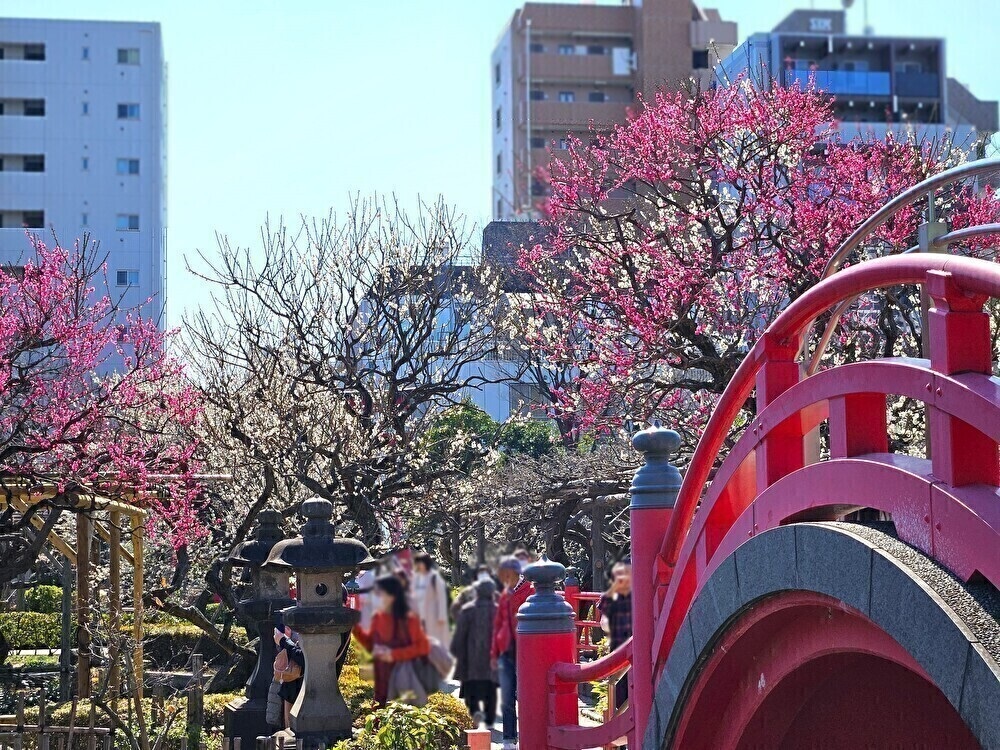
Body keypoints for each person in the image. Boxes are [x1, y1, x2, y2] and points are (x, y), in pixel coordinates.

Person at [354, 574, 431, 705]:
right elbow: (372, 645)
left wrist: (394, 654)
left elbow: (423, 647)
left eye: (381, 594)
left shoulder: (410, 618)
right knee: (381, 717)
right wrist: (355, 628)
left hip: (406, 681)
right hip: (382, 682)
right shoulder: (378, 616)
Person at [491, 556, 533, 750]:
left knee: (525, 696)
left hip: (525, 651)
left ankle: (529, 736)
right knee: (507, 696)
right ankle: (509, 739)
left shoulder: (531, 592)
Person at [451, 578, 499, 727]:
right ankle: (490, 716)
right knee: (491, 687)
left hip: (470, 656)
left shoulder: (468, 610)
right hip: (492, 656)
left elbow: (460, 635)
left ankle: (475, 712)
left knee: (471, 687)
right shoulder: (497, 610)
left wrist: (455, 651)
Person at [598, 559, 633, 709]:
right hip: (640, 646)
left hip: (618, 648)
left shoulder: (610, 596)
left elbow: (604, 625)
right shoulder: (642, 593)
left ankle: (619, 724)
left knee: (620, 688)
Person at [411, 552, 450, 647]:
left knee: (434, 641)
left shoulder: (434, 577)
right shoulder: (416, 578)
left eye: (420, 563)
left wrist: (441, 616)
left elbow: (442, 598)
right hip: (419, 615)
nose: (418, 566)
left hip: (433, 615)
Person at [272, 621, 304, 729]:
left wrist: (285, 641)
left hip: (302, 683)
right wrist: (284, 640)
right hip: (290, 683)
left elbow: (304, 658)